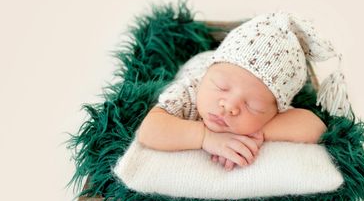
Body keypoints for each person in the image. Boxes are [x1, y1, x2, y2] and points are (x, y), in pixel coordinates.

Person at [137, 11, 351, 171]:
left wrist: (257, 134)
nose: (229, 106)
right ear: (209, 75)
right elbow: (150, 130)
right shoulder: (191, 91)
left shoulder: (268, 111)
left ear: (275, 111)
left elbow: (314, 126)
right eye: (221, 87)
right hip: (200, 62)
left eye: (253, 105)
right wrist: (205, 137)